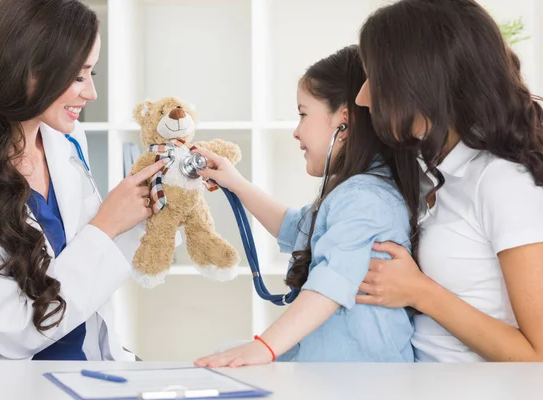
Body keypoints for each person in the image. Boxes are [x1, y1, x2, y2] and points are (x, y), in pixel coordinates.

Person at [0, 0, 165, 360]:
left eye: (93, 74)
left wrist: (148, 208)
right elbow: (14, 327)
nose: (91, 93)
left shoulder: (65, 147)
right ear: (27, 71)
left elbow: (87, 263)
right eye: (78, 76)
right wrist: (106, 226)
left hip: (83, 370)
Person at [193, 45, 420, 367]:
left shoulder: (364, 198)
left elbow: (332, 280)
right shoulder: (359, 191)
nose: (296, 131)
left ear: (344, 123)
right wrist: (235, 182)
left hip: (363, 380)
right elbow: (296, 227)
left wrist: (264, 347)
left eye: (302, 114)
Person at [354, 0, 543, 362]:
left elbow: (539, 358)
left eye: (373, 79)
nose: (363, 97)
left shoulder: (502, 182)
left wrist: (420, 292)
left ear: (421, 80)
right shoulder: (439, 169)